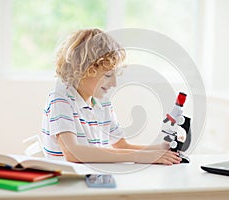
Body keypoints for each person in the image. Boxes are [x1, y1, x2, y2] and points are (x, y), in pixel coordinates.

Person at [41, 28, 181, 165]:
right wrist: (141, 156)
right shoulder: (60, 99)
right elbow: (73, 152)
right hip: (68, 182)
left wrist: (161, 149)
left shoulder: (102, 102)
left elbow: (121, 145)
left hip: (94, 176)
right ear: (84, 70)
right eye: (108, 75)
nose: (114, 83)